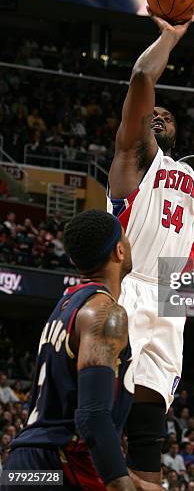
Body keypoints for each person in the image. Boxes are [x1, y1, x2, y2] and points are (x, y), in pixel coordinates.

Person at [108, 13, 194, 488]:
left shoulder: (191, 171)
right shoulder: (130, 162)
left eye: (168, 115)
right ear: (141, 126)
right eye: (154, 114)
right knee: (102, 414)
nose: (161, 114)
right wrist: (171, 36)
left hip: (171, 303)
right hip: (127, 291)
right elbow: (142, 77)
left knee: (149, 431)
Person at [2, 210, 135, 490]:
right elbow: (92, 417)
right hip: (58, 465)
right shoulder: (106, 313)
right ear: (120, 251)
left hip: (23, 468)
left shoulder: (66, 306)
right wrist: (120, 484)